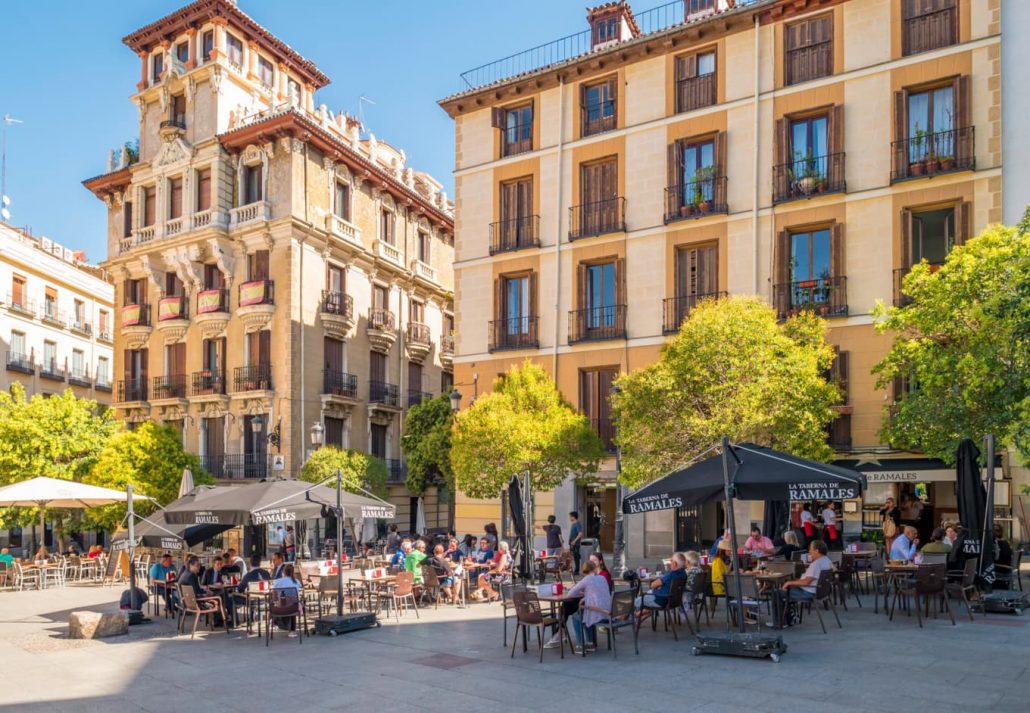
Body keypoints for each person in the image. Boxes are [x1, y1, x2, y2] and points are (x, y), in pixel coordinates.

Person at [778, 540, 833, 622]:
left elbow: (806, 582)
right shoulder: (827, 561)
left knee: (776, 592)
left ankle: (779, 621)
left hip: (809, 593)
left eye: (811, 549)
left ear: (817, 550)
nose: (809, 551)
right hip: (821, 591)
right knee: (788, 587)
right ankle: (789, 616)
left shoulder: (816, 564)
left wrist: (789, 582)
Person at [565, 560, 612, 654]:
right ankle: (590, 643)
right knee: (585, 614)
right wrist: (586, 594)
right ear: (594, 568)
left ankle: (579, 645)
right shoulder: (602, 578)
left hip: (596, 612)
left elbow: (570, 594)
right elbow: (599, 592)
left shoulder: (586, 579)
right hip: (607, 612)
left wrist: (582, 593)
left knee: (576, 617)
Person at [271, 563, 303, 638]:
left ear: (283, 572)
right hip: (293, 608)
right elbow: (299, 593)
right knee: (294, 603)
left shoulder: (278, 582)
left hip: (280, 608)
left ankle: (276, 622)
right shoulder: (296, 581)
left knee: (281, 603)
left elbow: (274, 597)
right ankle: (292, 630)